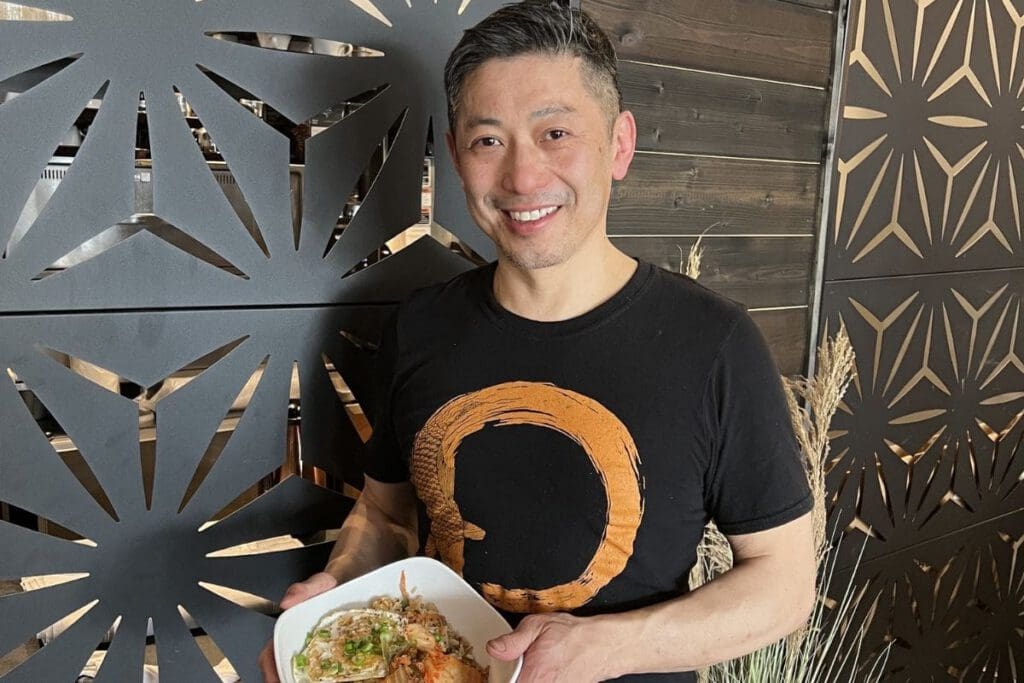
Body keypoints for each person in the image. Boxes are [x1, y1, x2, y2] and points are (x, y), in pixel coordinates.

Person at [260, 1, 815, 680]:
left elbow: (784, 586)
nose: (522, 177)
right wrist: (337, 593)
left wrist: (607, 646)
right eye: (488, 140)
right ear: (459, 163)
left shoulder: (714, 344)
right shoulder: (419, 327)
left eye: (555, 132)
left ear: (619, 145)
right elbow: (386, 512)